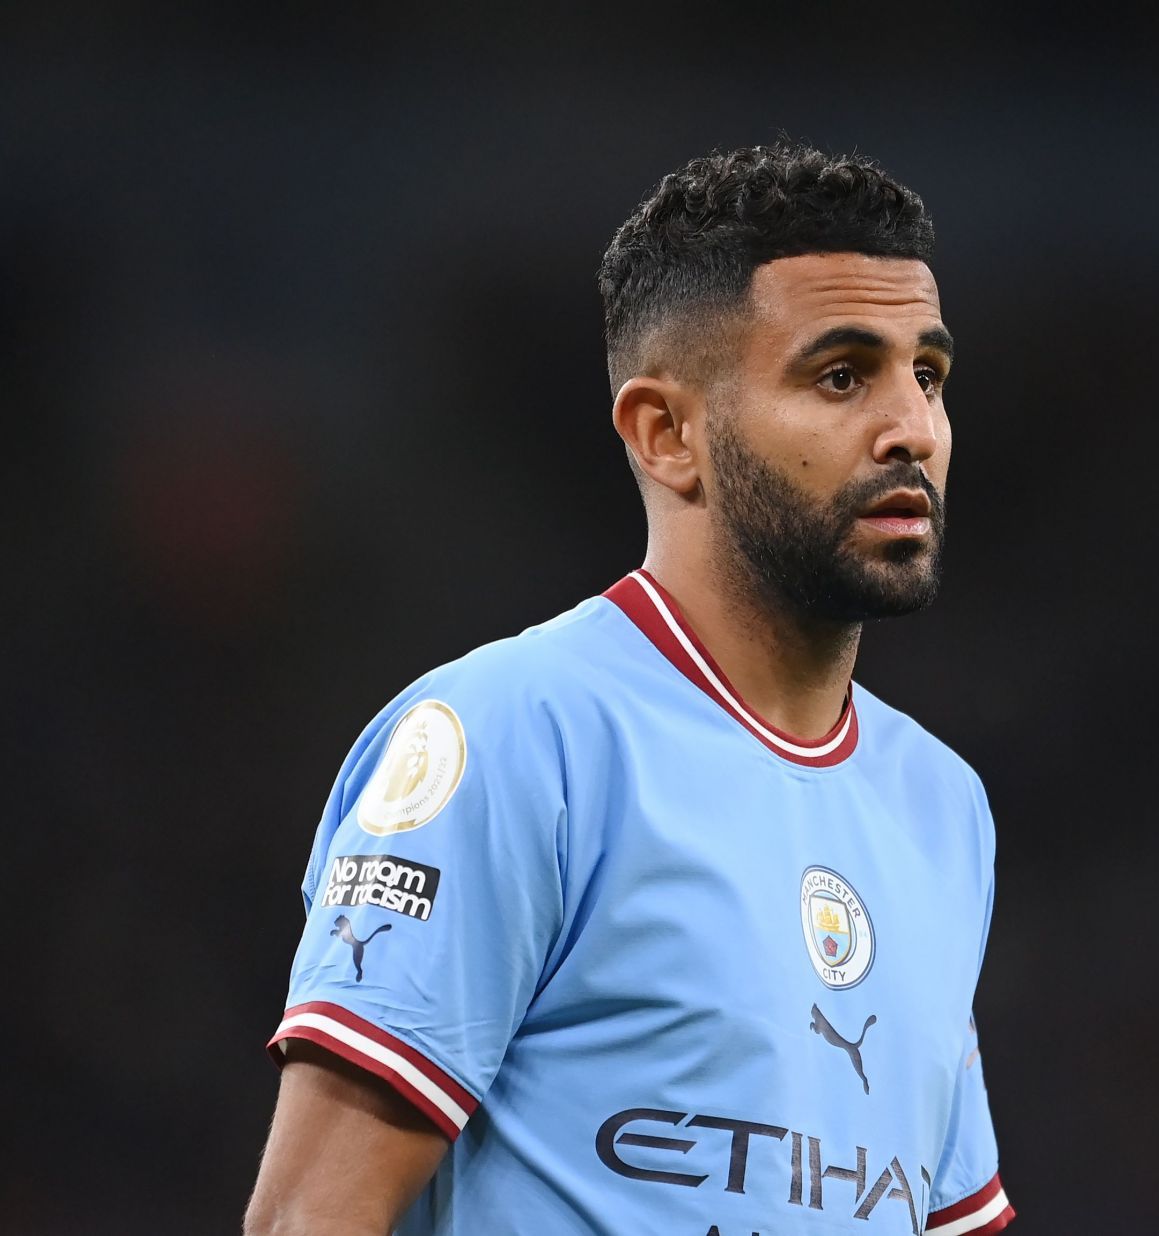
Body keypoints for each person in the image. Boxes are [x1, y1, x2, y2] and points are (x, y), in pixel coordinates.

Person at [244, 144, 1014, 1236]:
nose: (914, 430)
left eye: (926, 374)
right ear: (668, 434)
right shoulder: (511, 737)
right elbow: (307, 1221)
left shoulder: (943, 807)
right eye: (842, 375)